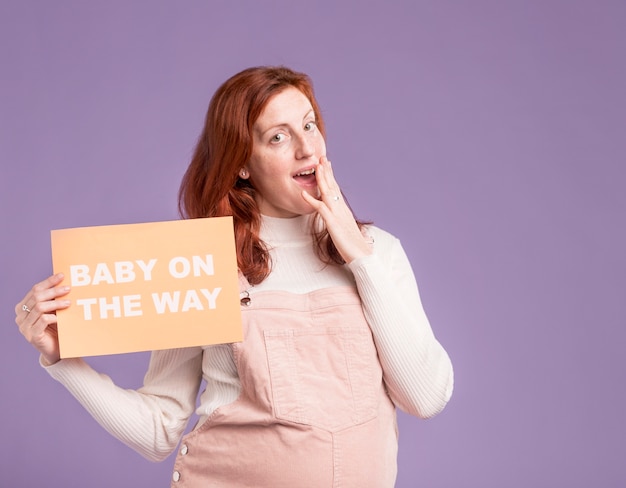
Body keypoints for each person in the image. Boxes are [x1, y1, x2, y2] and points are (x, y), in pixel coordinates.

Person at [15, 66, 454, 487]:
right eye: (278, 137)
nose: (307, 149)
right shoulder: (202, 263)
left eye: (310, 125)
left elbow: (425, 397)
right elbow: (158, 431)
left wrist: (360, 258)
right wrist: (63, 361)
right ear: (242, 163)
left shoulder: (379, 253)